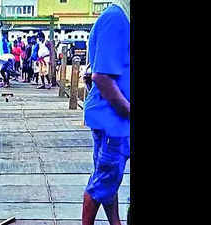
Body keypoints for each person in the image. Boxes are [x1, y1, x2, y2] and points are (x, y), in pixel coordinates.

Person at [82, 1, 130, 225]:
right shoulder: (116, 18)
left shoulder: (122, 17)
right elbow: (101, 77)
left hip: (116, 116)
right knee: (104, 179)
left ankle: (116, 223)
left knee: (109, 177)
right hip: (114, 117)